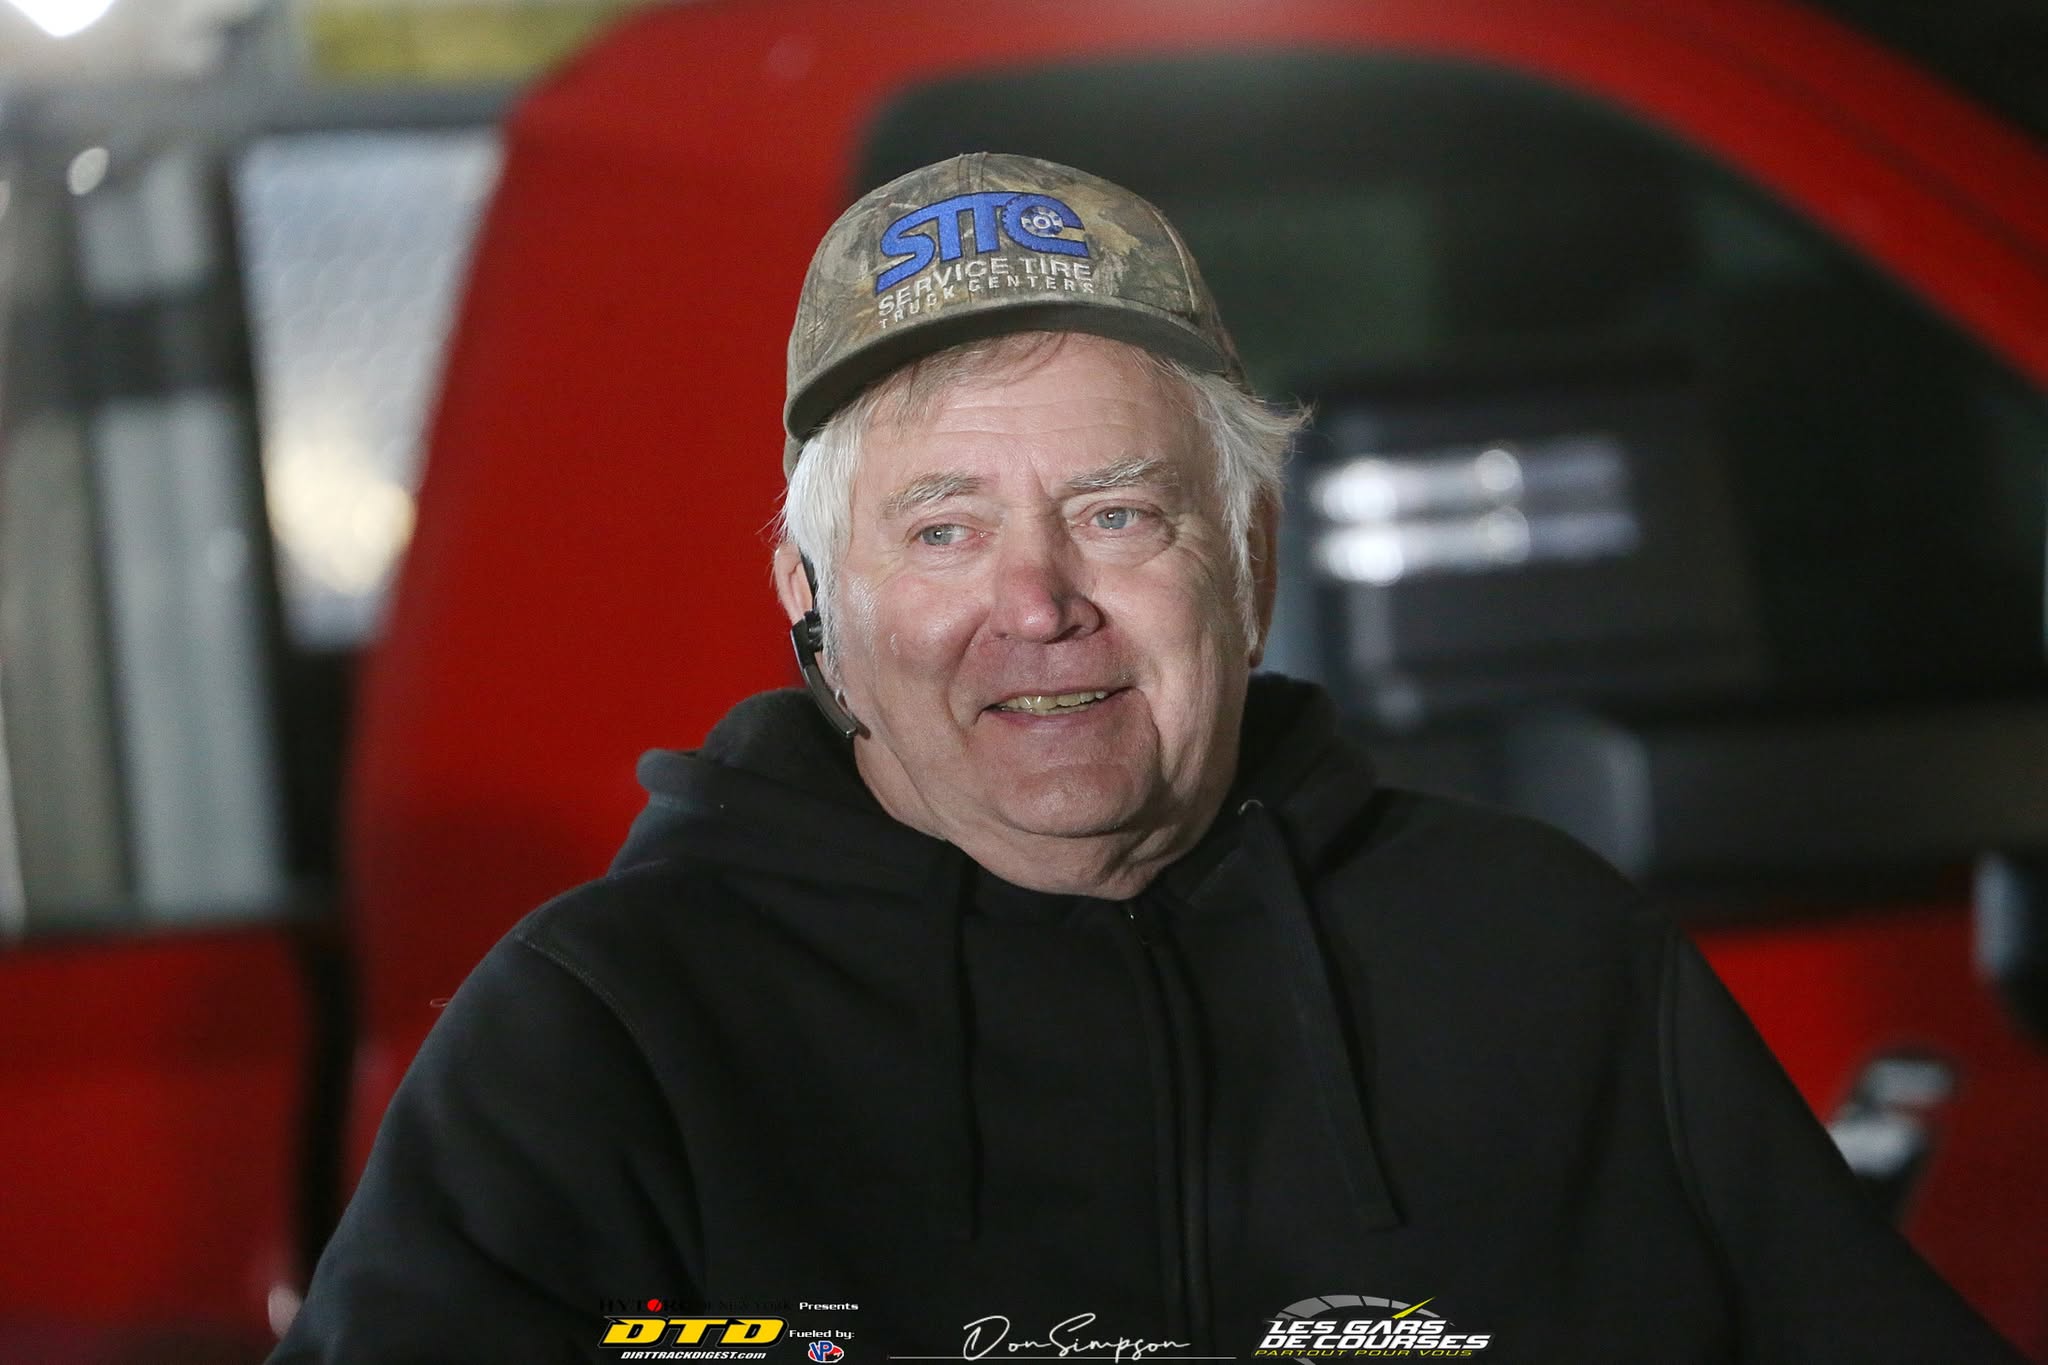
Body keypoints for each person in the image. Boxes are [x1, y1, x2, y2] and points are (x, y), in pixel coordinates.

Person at [272, 153, 2024, 1363]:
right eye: (944, 530)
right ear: (813, 602)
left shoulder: (1550, 966)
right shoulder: (608, 1038)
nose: (1040, 604)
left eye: (1119, 514)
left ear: (1251, 564)